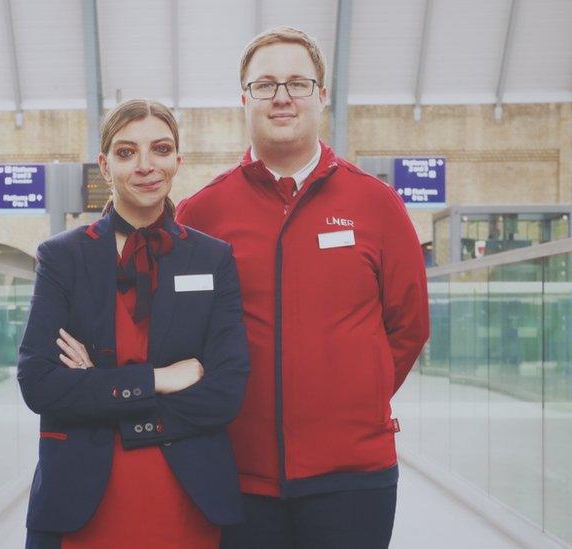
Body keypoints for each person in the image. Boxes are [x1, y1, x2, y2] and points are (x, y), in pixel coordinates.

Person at [176, 27, 429, 547]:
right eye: (265, 85)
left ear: (322, 95)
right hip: (238, 473)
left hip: (354, 473)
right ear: (244, 97)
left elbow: (410, 325)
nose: (283, 97)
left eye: (298, 82)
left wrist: (357, 396)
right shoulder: (201, 213)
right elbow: (181, 331)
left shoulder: (376, 203)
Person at [17, 99, 250, 548]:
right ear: (104, 166)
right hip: (83, 499)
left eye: (160, 149)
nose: (146, 165)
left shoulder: (213, 258)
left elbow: (225, 391)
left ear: (178, 160)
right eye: (126, 153)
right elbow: (40, 384)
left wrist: (98, 388)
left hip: (188, 496)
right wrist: (159, 379)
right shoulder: (62, 258)